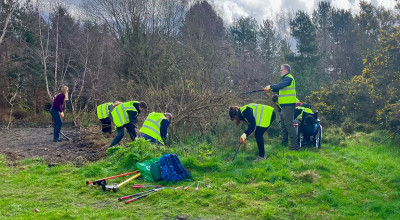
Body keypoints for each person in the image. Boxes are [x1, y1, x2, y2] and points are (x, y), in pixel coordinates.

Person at [264, 64, 299, 150]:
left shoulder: (289, 78)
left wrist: (271, 86)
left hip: (289, 105)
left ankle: (295, 146)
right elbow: (279, 88)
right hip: (284, 106)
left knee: (289, 125)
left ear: (286, 70)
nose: (280, 71)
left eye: (281, 70)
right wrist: (270, 89)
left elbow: (280, 85)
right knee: (283, 125)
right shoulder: (285, 80)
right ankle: (284, 143)